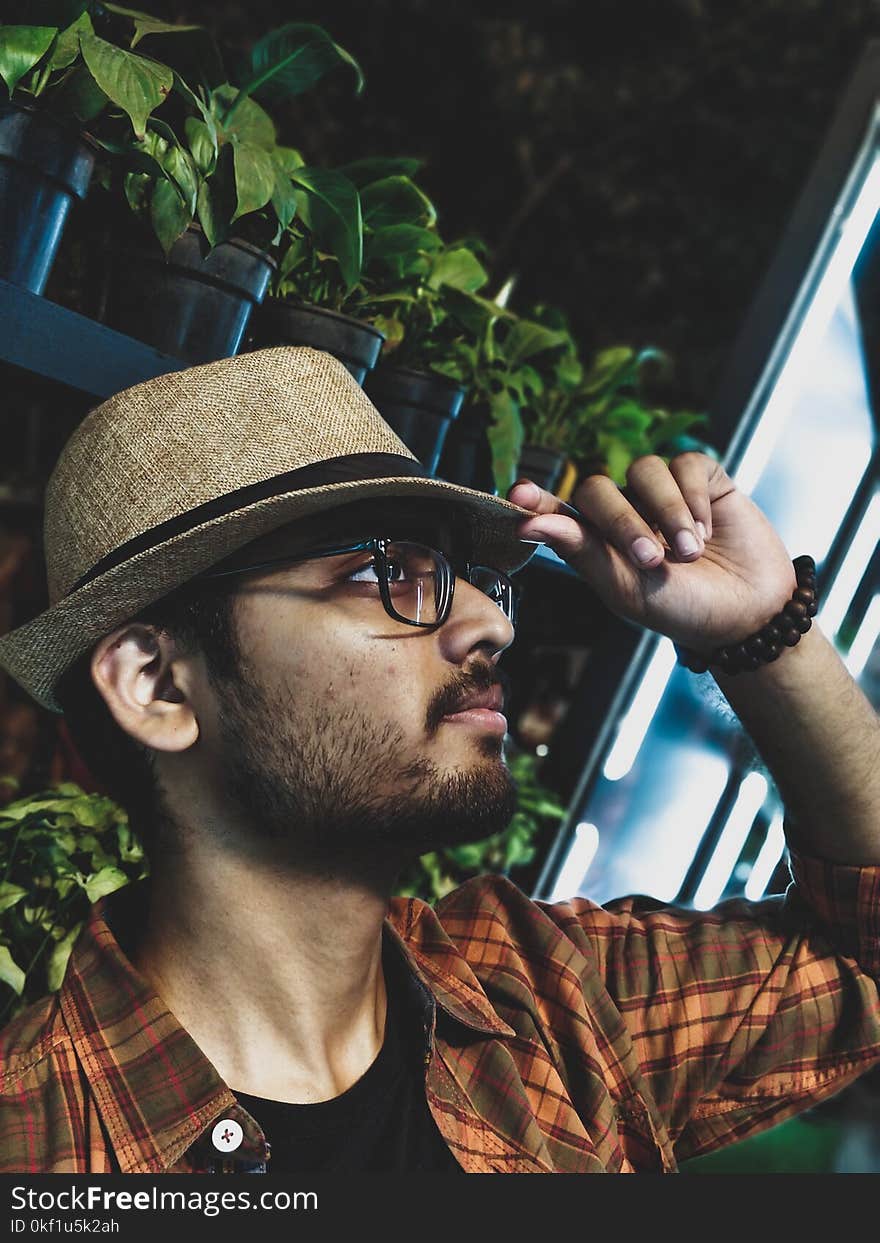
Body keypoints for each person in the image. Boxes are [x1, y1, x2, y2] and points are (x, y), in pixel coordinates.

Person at [0, 345, 878, 1175]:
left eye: (467, 577)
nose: (490, 623)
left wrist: (767, 633)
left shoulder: (541, 998)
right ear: (158, 684)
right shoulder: (38, 1146)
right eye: (385, 570)